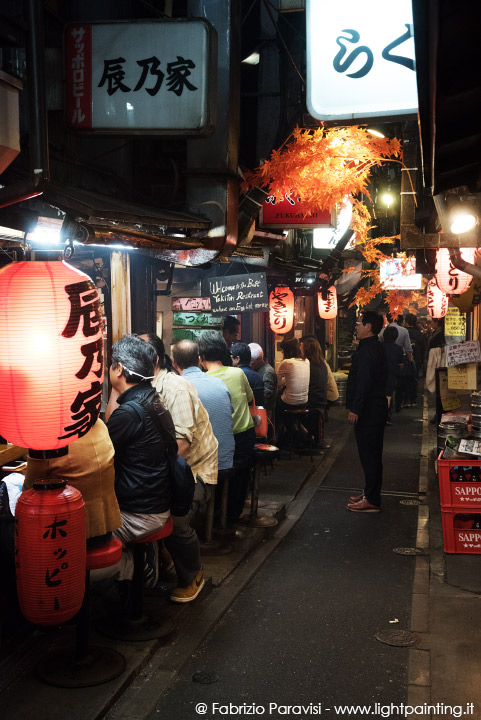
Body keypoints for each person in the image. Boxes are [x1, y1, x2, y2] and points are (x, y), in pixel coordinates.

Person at [139, 332, 218, 603]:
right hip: (168, 467)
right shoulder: (140, 386)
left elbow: (182, 445)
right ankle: (163, 559)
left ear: (155, 359)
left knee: (175, 520)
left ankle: (193, 575)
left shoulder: (176, 388)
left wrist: (149, 472)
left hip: (194, 469)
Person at [105, 334, 178, 585]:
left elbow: (100, 457)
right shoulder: (151, 398)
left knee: (79, 531)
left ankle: (132, 570)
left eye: (111, 364)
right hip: (156, 501)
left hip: (140, 513)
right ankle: (140, 565)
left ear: (120, 369)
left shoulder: (130, 412)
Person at [24, 419, 122, 549]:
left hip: (68, 533)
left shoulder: (49, 437)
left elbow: (28, 490)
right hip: (104, 528)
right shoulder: (98, 424)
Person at [198, 330, 255, 521]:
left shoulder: (202, 380)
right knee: (240, 478)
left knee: (218, 479)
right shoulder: (238, 373)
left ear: (201, 356)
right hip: (243, 435)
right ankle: (232, 516)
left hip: (217, 438)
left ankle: (214, 516)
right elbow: (249, 399)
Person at [345, 311, 388, 513]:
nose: (357, 327)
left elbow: (364, 382)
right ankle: (370, 492)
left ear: (369, 327)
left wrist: (356, 408)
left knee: (369, 454)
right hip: (375, 408)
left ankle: (372, 498)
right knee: (372, 453)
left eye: (359, 323)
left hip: (370, 410)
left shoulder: (368, 350)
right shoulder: (373, 347)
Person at [171, 339, 235, 472]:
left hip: (199, 468)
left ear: (174, 363)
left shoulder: (177, 387)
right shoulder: (219, 383)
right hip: (225, 460)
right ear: (199, 359)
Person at [300, 335, 328, 447]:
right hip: (321, 401)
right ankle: (308, 437)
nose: (300, 349)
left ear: (306, 349)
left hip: (312, 403)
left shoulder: (307, 365)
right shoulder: (322, 364)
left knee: (285, 410)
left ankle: (305, 438)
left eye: (301, 347)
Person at [381, 326, 404, 424]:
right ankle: (385, 416)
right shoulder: (398, 348)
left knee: (380, 394)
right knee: (388, 395)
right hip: (392, 374)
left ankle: (380, 415)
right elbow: (401, 363)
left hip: (379, 373)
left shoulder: (378, 346)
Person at [230, 341, 265, 406]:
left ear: (237, 359)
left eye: (231, 356)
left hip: (243, 414)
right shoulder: (257, 376)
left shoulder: (234, 375)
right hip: (256, 414)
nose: (230, 358)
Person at [248, 342, 278, 412]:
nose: (249, 363)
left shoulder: (267, 371)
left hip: (265, 411)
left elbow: (267, 394)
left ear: (259, 358)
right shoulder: (258, 368)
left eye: (251, 360)